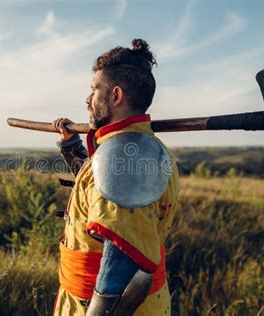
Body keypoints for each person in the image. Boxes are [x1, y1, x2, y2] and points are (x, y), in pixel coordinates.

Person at [52, 39, 180, 316]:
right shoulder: (131, 150)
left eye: (94, 90)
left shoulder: (126, 158)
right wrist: (71, 146)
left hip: (107, 307)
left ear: (115, 96)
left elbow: (122, 259)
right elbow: (96, 192)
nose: (88, 99)